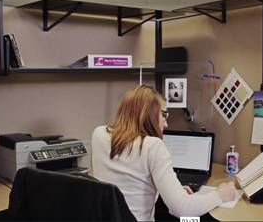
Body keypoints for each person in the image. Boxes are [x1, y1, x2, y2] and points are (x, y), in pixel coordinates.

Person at [91, 85, 236, 221]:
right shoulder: (153, 146)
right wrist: (220, 195)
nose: (165, 124)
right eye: (164, 115)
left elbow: (129, 184)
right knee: (193, 220)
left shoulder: (98, 135)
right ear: (149, 113)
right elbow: (183, 210)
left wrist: (170, 190)